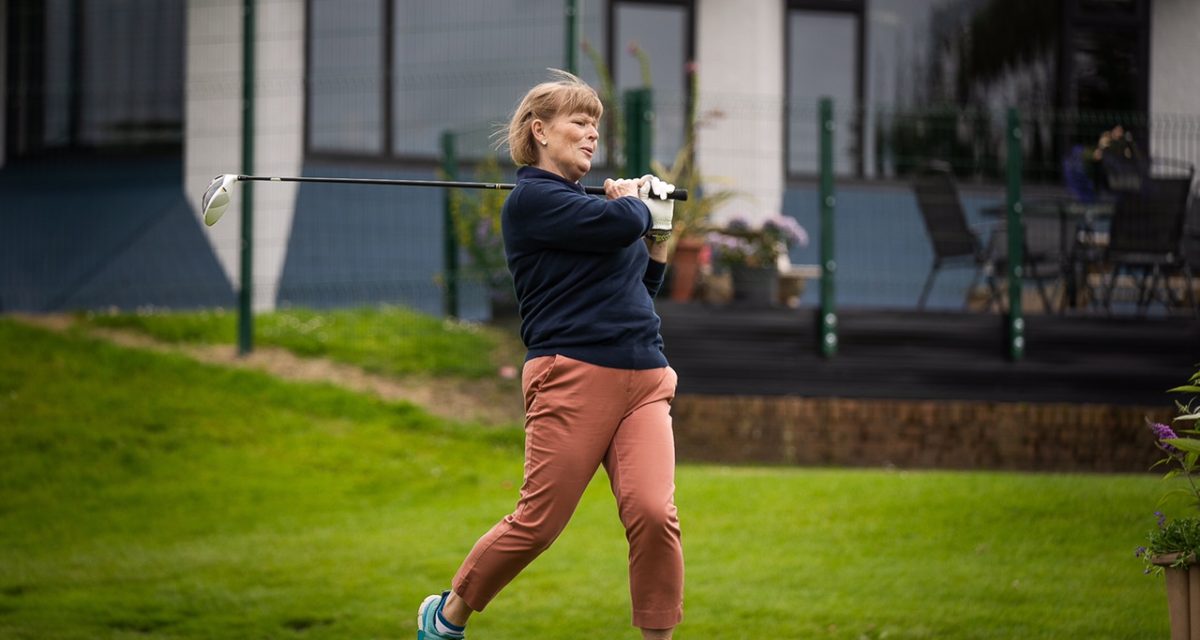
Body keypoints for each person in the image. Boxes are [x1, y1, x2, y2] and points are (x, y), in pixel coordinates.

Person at [416, 69, 683, 640]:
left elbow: (639, 290)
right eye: (579, 123)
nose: (592, 135)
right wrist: (637, 201)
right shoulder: (533, 202)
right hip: (572, 375)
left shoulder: (594, 212)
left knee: (654, 514)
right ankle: (448, 615)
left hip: (645, 373)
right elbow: (619, 222)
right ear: (540, 131)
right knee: (538, 524)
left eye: (596, 126)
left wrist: (656, 242)